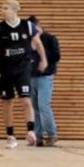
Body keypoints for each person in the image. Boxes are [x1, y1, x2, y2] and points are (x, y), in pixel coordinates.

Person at [0, 1, 46, 149]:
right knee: (7, 103)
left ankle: (31, 131)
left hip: (23, 68)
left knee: (26, 100)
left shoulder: (28, 26)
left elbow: (38, 44)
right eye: (2, 8)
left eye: (5, 8)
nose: (2, 10)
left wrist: (44, 60)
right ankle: (10, 136)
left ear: (14, 10)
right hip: (4, 70)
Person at [30, 16, 61, 146]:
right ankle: (39, 136)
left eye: (34, 28)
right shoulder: (28, 41)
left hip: (45, 77)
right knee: (35, 107)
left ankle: (52, 134)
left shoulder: (50, 39)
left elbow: (56, 56)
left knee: (43, 106)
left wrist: (39, 46)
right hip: (31, 77)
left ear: (39, 26)